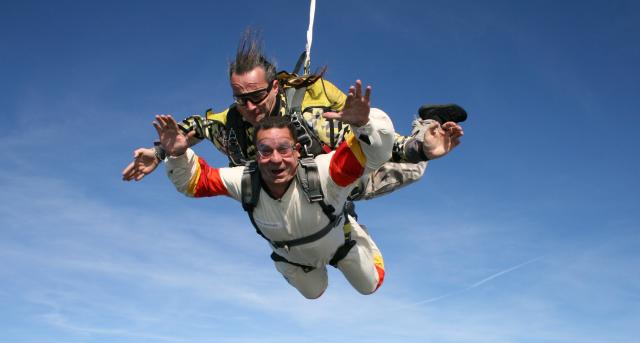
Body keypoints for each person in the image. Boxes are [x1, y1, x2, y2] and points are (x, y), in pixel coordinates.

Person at [156, 81, 461, 298]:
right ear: (255, 154)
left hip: (343, 188)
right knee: (313, 292)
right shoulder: (245, 174)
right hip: (299, 244)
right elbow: (194, 176)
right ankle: (304, 254)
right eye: (265, 151)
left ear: (298, 150)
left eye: (283, 149)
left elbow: (372, 152)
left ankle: (424, 124)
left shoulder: (323, 155)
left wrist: (377, 128)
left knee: (413, 171)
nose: (275, 160)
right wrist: (170, 153)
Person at [122, 29, 466, 201]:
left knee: (415, 170)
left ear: (274, 88)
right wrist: (160, 152)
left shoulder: (313, 115)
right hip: (294, 199)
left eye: (256, 97)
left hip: (341, 175)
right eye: (240, 99)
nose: (250, 108)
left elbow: (379, 144)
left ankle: (427, 121)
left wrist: (421, 148)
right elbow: (193, 128)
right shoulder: (233, 121)